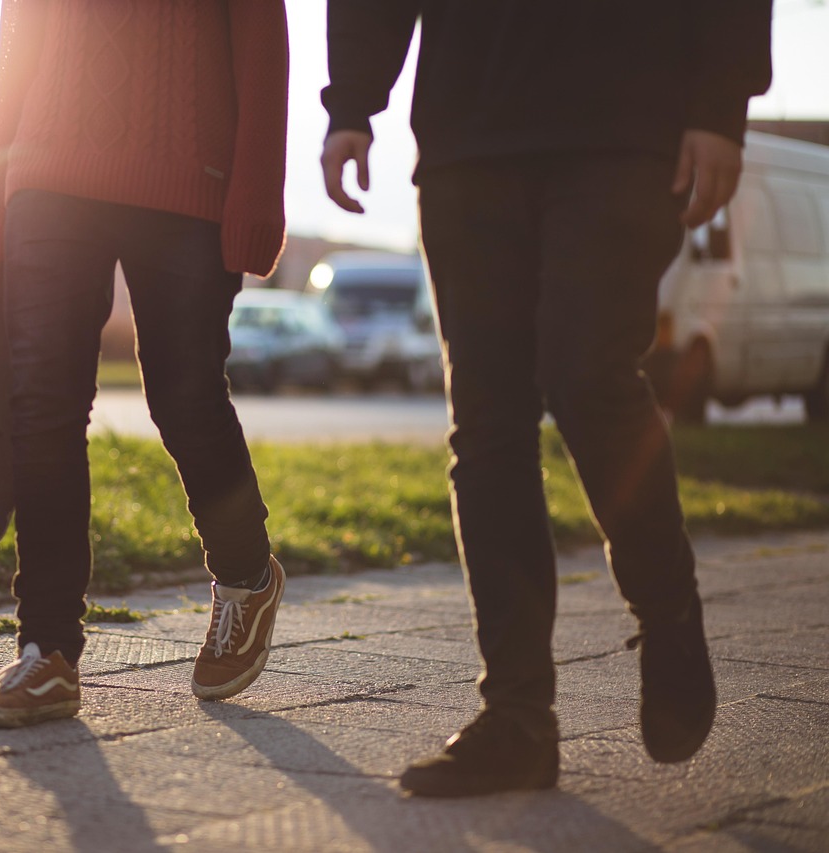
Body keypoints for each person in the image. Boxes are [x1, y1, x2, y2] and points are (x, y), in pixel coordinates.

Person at [321, 1, 772, 797]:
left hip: (624, 126)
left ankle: (666, 607)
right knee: (487, 424)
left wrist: (721, 106)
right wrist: (353, 101)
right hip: (471, 129)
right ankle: (518, 717)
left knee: (589, 378)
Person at [0, 0, 291, 728]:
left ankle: (244, 575)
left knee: (186, 395)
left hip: (188, 165)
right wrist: (1, 188)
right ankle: (47, 651)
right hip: (50, 165)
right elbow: (22, 23)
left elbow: (260, 24)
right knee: (41, 405)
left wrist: (257, 190)